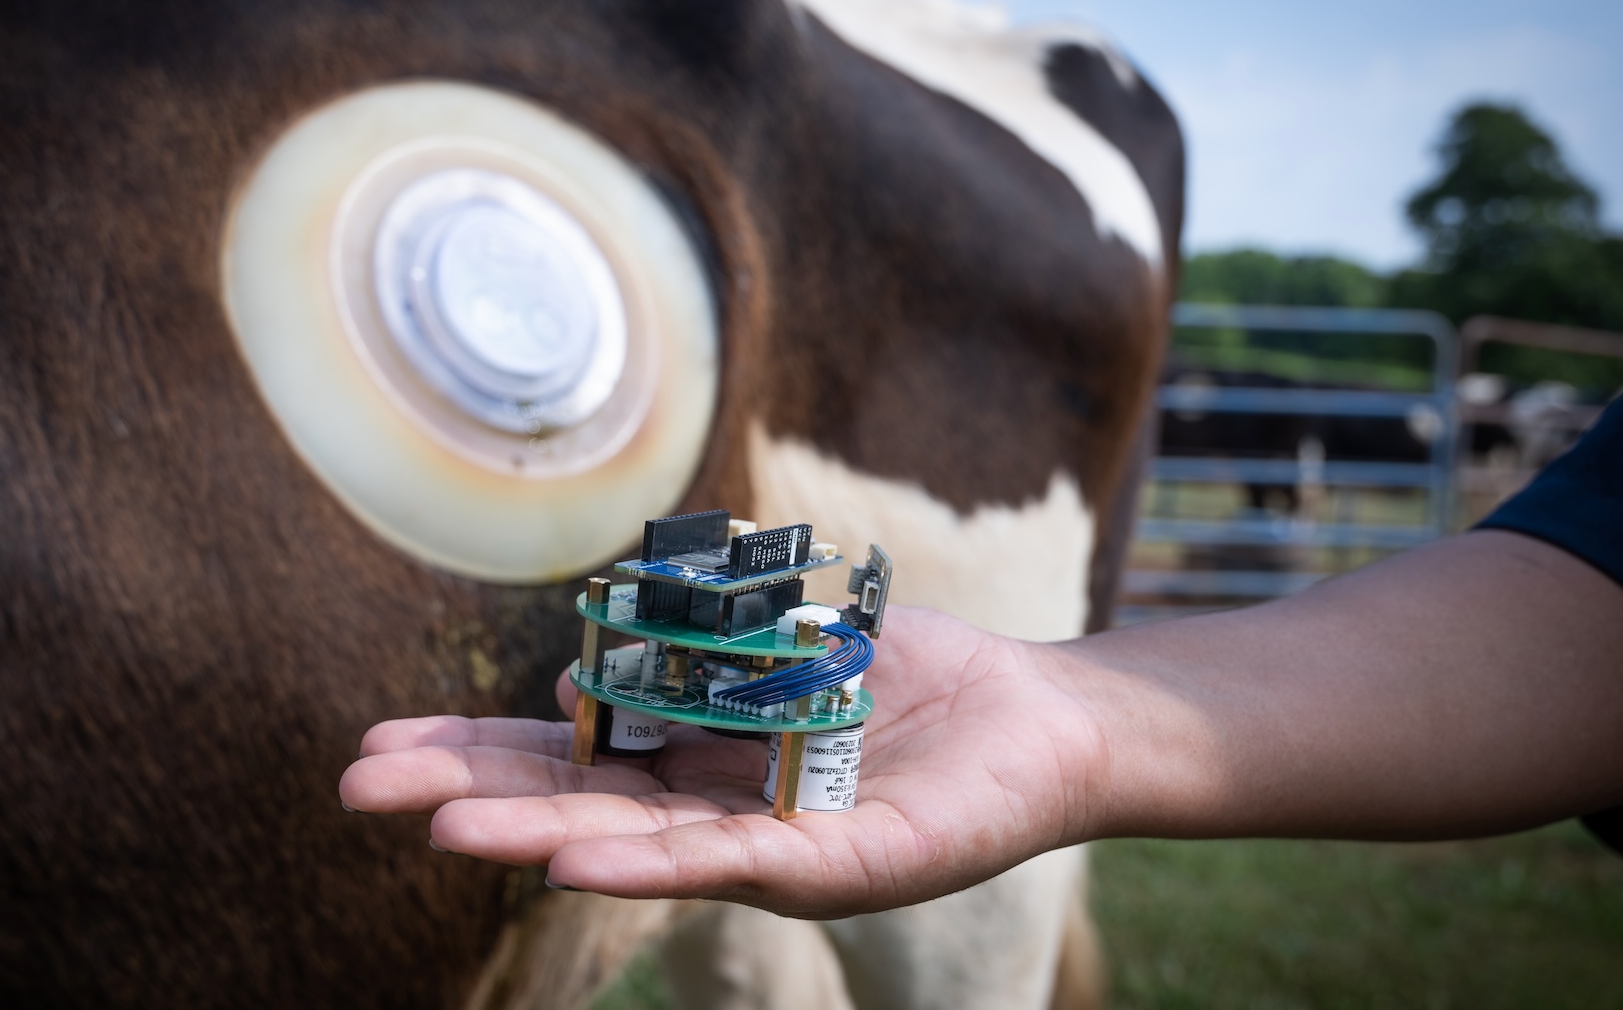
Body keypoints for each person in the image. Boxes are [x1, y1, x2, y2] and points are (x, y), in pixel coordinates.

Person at [338, 400, 1623, 918]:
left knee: (652, 681)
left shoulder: (795, 654)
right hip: (755, 657)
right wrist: (1070, 706)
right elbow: (1585, 580)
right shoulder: (709, 637)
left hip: (782, 666)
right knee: (630, 676)